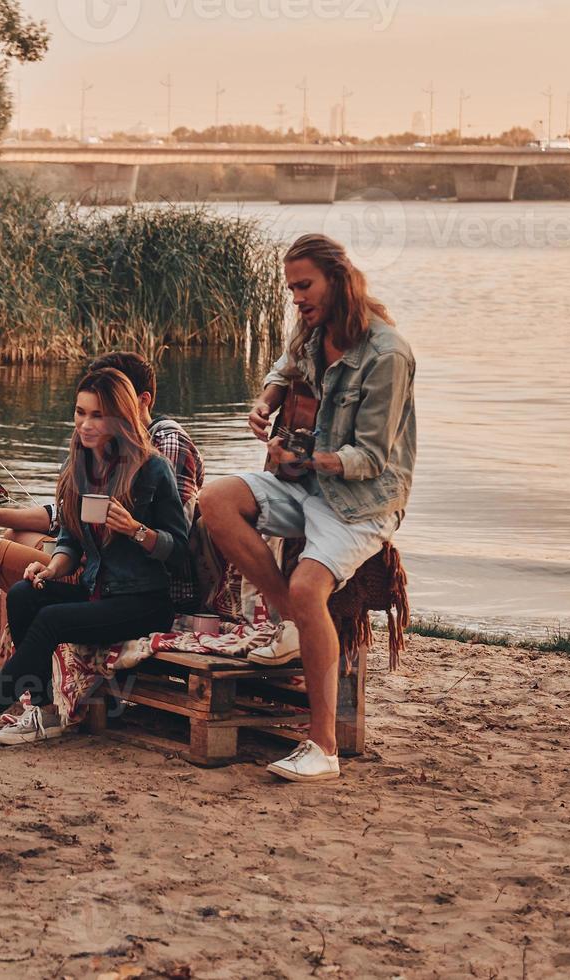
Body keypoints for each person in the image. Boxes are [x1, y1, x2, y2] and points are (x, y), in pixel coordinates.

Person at [197, 233, 416, 783]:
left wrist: (303, 456)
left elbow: (370, 457)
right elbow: (287, 363)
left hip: (362, 503)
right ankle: (290, 624)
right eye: (291, 287)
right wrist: (266, 400)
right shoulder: (314, 330)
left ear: (337, 280)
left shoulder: (387, 354)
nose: (295, 297)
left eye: (304, 285)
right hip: (310, 483)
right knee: (215, 499)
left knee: (306, 584)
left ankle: (322, 748)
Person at [0, 351, 203, 713]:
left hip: (137, 588)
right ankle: (24, 692)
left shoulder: (157, 452)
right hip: (97, 574)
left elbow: (178, 541)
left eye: (101, 409)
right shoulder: (88, 458)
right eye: (82, 411)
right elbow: (64, 521)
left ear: (131, 403)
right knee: (20, 565)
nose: (87, 422)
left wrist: (136, 530)